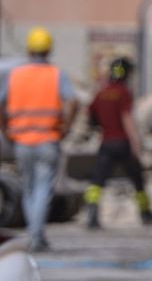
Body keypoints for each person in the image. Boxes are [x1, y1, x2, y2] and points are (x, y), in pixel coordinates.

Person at [0, 27, 79, 252]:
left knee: (28, 188)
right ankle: (36, 235)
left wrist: (6, 130)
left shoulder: (16, 75)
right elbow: (72, 102)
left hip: (22, 140)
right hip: (48, 139)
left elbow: (1, 103)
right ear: (49, 49)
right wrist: (65, 127)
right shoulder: (55, 74)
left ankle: (33, 234)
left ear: (28, 49)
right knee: (43, 188)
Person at [83, 57, 152, 228]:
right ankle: (145, 213)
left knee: (97, 180)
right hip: (123, 142)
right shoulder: (123, 93)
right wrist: (136, 144)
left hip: (107, 143)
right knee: (137, 179)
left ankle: (92, 215)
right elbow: (127, 119)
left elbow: (90, 116)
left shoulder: (101, 93)